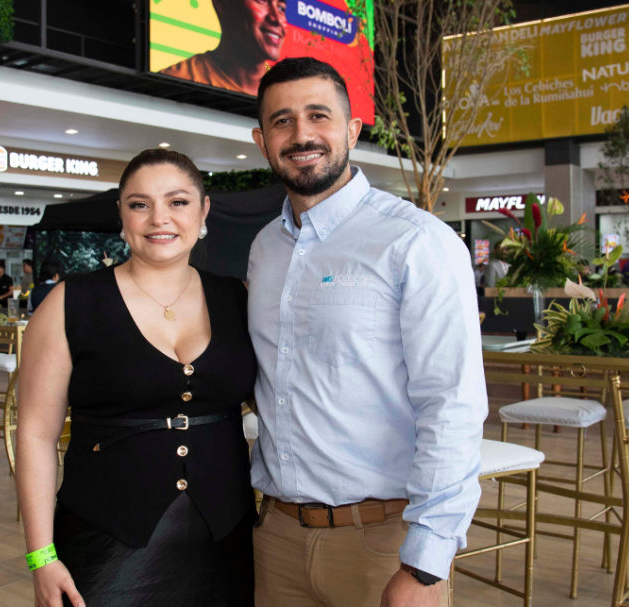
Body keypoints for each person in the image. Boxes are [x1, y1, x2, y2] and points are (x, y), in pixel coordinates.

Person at [247, 57, 485, 606]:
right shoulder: (264, 249)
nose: (301, 134)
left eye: (318, 115)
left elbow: (451, 404)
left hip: (381, 542)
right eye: (282, 121)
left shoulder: (417, 242)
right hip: (275, 537)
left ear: (352, 131)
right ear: (262, 142)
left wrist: (426, 565)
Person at [16, 149, 256, 607]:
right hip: (105, 538)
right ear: (122, 215)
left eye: (178, 202)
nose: (159, 218)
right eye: (140, 204)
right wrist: (41, 557)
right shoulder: (71, 303)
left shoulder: (237, 298)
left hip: (225, 541)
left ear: (203, 211)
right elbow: (35, 436)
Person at [159, 0, 286, 96]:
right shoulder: (178, 81)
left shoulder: (283, 93)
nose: (278, 19)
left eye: (281, 8)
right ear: (221, 3)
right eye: (262, 1)